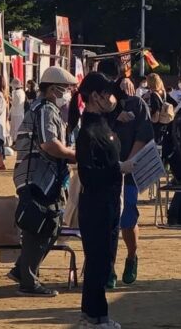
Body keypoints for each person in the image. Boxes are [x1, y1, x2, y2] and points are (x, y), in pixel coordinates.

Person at [9, 66, 77, 297]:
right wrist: (74, 154)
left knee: (43, 225)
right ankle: (28, 281)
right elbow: (50, 145)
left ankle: (22, 271)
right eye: (64, 89)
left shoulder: (41, 108)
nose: (67, 93)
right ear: (51, 89)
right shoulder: (46, 110)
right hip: (38, 177)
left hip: (37, 176)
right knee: (42, 225)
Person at [76, 72, 135, 329]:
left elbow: (118, 99)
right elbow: (88, 175)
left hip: (110, 200)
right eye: (105, 94)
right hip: (96, 203)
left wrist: (122, 81)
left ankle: (94, 313)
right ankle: (96, 314)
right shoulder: (88, 131)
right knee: (97, 260)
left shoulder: (102, 122)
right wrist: (119, 168)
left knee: (105, 258)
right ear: (94, 97)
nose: (111, 98)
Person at [96, 57, 155, 287]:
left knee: (127, 219)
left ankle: (131, 257)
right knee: (106, 220)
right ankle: (108, 266)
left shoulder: (136, 103)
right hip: (105, 170)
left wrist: (128, 162)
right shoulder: (99, 103)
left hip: (129, 171)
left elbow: (144, 135)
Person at [146, 73, 174, 142]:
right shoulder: (164, 92)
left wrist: (150, 120)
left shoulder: (153, 95)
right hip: (165, 124)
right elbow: (175, 104)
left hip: (156, 126)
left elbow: (156, 112)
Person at [10, 78, 26, 146]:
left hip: (17, 114)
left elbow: (14, 103)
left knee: (15, 128)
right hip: (18, 113)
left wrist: (9, 99)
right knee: (16, 128)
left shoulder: (17, 93)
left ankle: (16, 142)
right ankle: (15, 142)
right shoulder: (21, 92)